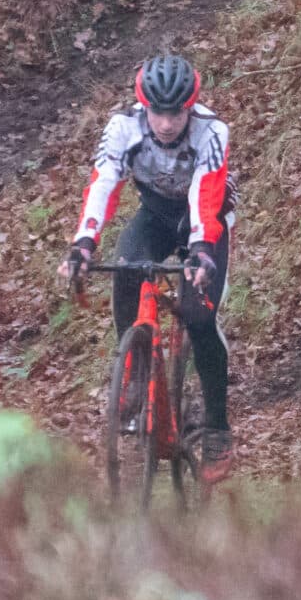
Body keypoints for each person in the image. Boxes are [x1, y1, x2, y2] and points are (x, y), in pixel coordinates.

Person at [56, 53, 237, 483]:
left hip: (206, 221)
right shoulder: (123, 127)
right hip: (155, 215)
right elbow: (103, 183)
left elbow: (206, 195)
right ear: (144, 106)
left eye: (176, 113)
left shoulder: (211, 131)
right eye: (158, 113)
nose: (167, 124)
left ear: (189, 108)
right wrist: (84, 242)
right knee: (126, 269)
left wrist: (201, 251)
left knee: (199, 316)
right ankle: (136, 375)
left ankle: (217, 428)